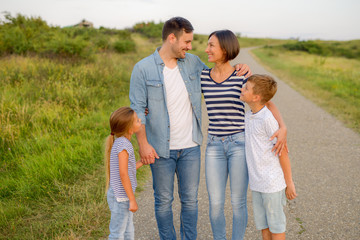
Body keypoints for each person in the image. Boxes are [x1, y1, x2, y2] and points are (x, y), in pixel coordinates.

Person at [129, 17, 250, 240]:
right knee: (163, 201)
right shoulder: (143, 69)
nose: (191, 47)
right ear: (172, 38)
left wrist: (240, 67)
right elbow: (137, 110)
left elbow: (219, 76)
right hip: (160, 149)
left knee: (191, 201)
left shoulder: (193, 63)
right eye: (187, 41)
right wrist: (143, 144)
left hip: (191, 148)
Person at [201, 30, 288, 240]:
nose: (207, 49)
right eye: (208, 44)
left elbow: (267, 102)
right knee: (214, 204)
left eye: (212, 45)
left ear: (226, 49)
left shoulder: (241, 77)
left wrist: (283, 127)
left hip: (239, 144)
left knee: (238, 202)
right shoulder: (203, 76)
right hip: (213, 146)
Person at [240, 74, 297, 240]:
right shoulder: (249, 115)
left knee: (276, 227)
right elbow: (269, 101)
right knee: (264, 227)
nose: (242, 89)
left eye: (246, 88)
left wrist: (289, 183)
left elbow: (283, 153)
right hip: (257, 184)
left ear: (256, 97)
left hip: (272, 184)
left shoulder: (267, 119)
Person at [104, 106, 144, 240]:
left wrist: (142, 162)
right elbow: (123, 174)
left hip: (122, 195)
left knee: (128, 230)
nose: (140, 121)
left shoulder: (121, 142)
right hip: (121, 198)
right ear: (130, 129)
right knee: (117, 234)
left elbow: (127, 169)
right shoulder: (123, 145)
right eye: (137, 120)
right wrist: (132, 200)